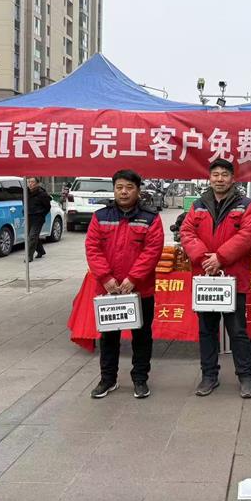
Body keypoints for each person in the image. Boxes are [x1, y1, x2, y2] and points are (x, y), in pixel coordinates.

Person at [180, 159, 251, 399]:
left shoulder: (246, 205)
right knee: (207, 331)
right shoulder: (197, 206)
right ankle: (209, 376)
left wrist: (220, 258)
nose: (220, 179)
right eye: (215, 174)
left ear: (233, 179)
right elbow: (186, 232)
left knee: (237, 331)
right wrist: (206, 258)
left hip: (234, 279)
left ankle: (246, 377)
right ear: (209, 178)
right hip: (205, 279)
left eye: (225, 174)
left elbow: (248, 234)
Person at [85, 170, 164, 399]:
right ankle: (108, 379)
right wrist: (106, 278)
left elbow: (152, 251)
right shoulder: (100, 216)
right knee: (109, 337)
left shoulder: (150, 218)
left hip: (140, 290)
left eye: (129, 187)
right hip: (109, 290)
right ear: (114, 189)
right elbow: (92, 248)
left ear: (138, 191)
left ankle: (140, 379)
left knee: (142, 336)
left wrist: (133, 278)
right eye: (119, 187)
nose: (124, 192)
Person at [26, 177, 53, 262]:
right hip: (28, 217)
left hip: (38, 218)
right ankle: (41, 251)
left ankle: (29, 256)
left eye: (32, 182)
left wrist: (41, 214)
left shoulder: (42, 194)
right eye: (29, 182)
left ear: (37, 183)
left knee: (32, 236)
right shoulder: (26, 192)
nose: (30, 184)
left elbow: (47, 207)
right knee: (32, 236)